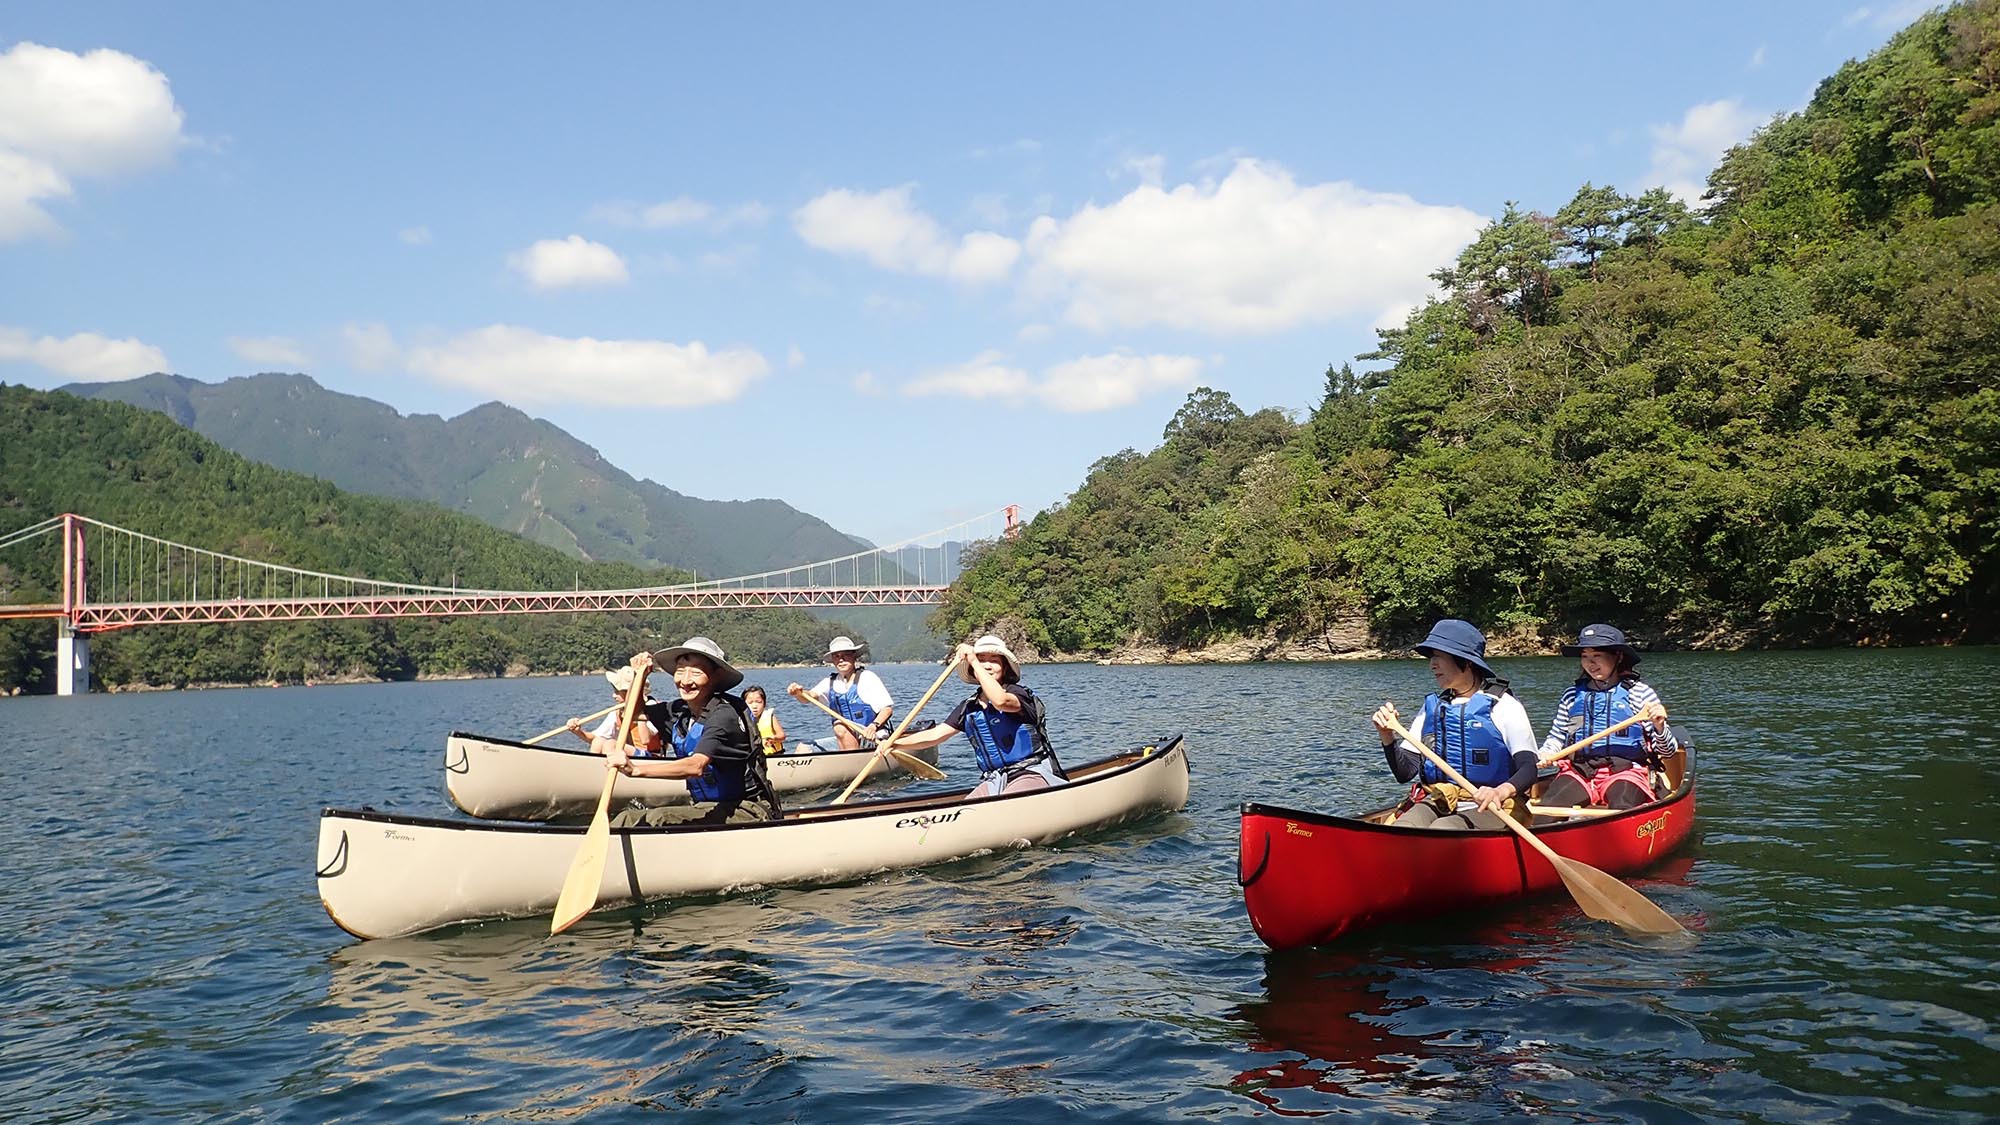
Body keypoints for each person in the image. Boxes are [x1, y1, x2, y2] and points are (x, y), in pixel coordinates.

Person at [1369, 618, 1540, 830]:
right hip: (1441, 798)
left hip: (1496, 804)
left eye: (1439, 657)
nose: (1432, 665)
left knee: (1443, 829)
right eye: (1431, 658)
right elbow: (1404, 772)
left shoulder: (1504, 706)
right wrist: (1387, 737)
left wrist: (1500, 791)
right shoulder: (1434, 707)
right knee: (1403, 827)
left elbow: (1529, 768)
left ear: (1466, 662)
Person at [596, 637, 780, 826]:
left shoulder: (724, 715)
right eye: (680, 671)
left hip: (745, 809)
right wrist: (640, 677)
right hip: (707, 806)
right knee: (629, 818)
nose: (685, 681)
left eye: (695, 672)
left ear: (716, 676)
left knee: (646, 819)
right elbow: (633, 712)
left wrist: (635, 770)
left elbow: (696, 766)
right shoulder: (679, 712)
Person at [887, 634, 1065, 798]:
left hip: (1030, 772)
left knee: (1004, 802)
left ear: (1004, 667)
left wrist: (974, 660)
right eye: (982, 661)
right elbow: (935, 735)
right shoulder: (969, 708)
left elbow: (1000, 701)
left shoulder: (1018, 694)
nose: (987, 665)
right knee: (967, 807)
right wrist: (894, 743)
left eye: (994, 661)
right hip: (996, 779)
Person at [1537, 623, 1678, 809]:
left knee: (1622, 806)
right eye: (1585, 657)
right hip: (1580, 771)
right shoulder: (1572, 695)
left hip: (1626, 771)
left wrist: (1659, 726)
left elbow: (1669, 751)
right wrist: (1546, 753)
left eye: (1597, 656)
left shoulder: (1640, 694)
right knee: (1547, 809)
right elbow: (1558, 736)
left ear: (1618, 657)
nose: (1590, 663)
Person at [787, 635, 894, 752]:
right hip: (846, 739)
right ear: (833, 660)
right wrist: (799, 693)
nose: (841, 659)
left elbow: (887, 709)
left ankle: (852, 763)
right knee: (804, 748)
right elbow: (808, 697)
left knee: (840, 726)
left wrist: (873, 726)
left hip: (873, 738)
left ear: (854, 657)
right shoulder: (830, 682)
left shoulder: (868, 678)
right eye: (836, 656)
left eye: (845, 655)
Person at [564, 666, 662, 754]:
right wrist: (578, 731)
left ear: (631, 692)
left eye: (617, 692)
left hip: (650, 757)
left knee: (611, 744)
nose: (613, 696)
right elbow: (594, 737)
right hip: (629, 756)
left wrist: (640, 712)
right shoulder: (618, 711)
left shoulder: (651, 706)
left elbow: (646, 739)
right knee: (598, 742)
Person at [744, 685, 787, 755]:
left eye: (758, 702)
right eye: (750, 702)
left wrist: (774, 738)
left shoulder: (769, 717)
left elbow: (782, 735)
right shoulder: (742, 720)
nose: (754, 706)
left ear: (764, 703)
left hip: (773, 756)